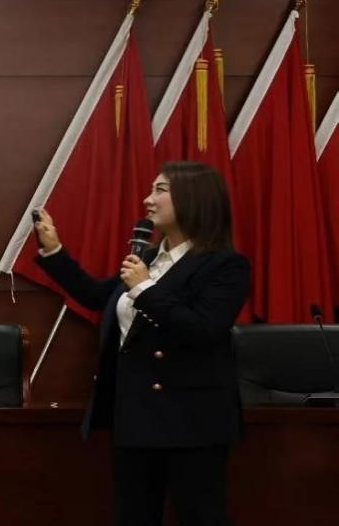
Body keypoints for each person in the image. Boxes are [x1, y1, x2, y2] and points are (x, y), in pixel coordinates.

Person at [32, 160, 249, 526]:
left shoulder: (225, 265)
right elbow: (97, 296)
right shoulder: (148, 257)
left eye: (160, 190)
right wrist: (54, 251)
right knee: (133, 516)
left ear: (193, 198)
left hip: (191, 419)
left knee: (201, 516)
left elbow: (203, 329)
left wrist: (146, 288)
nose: (148, 200)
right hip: (134, 413)